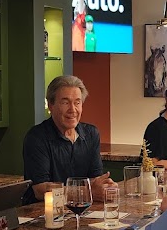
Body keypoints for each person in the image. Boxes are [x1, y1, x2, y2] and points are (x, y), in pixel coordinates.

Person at [22, 75, 116, 204]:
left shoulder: (91, 134)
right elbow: (40, 190)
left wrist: (105, 187)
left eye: (77, 103)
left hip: (81, 208)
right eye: (65, 103)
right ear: (51, 105)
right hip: (44, 212)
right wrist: (86, 192)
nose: (73, 110)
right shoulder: (36, 137)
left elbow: (95, 179)